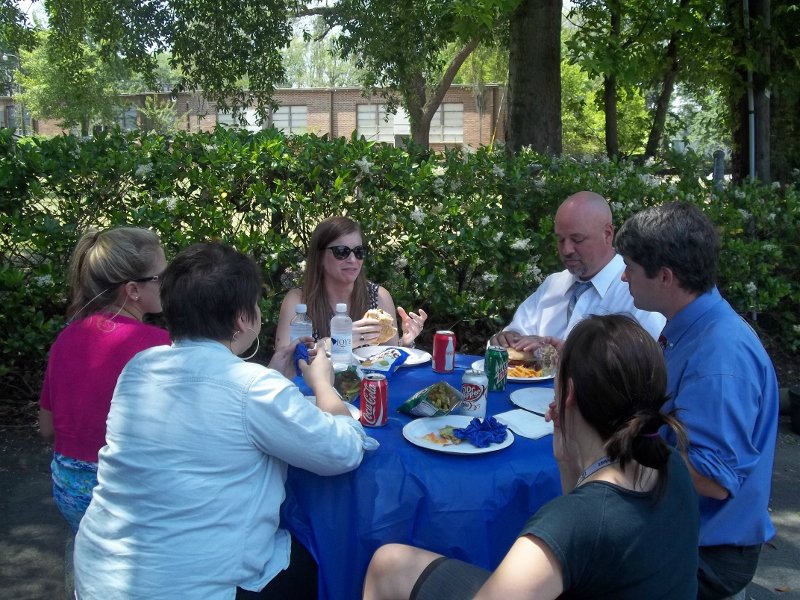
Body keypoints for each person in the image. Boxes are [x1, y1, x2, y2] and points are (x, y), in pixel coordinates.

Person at [73, 242, 372, 599]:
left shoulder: (140, 367)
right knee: (333, 557)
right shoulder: (253, 389)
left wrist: (271, 375)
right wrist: (324, 386)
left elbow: (219, 407)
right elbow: (343, 453)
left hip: (99, 577)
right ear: (243, 319)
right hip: (196, 588)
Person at [364, 315, 700, 600]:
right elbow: (591, 561)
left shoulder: (571, 523)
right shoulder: (669, 463)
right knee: (392, 562)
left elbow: (581, 527)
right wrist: (568, 463)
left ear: (566, 394)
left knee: (384, 563)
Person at [616, 202, 779, 600]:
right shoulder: (694, 328)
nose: (623, 276)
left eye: (631, 267)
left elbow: (713, 479)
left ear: (666, 276)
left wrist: (616, 447)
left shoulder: (720, 356)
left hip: (709, 553)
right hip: (689, 533)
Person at [38, 227, 170, 532]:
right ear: (133, 290)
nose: (168, 284)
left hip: (69, 493)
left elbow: (47, 428)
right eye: (160, 277)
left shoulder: (67, 337)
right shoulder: (157, 344)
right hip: (123, 496)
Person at [489, 191, 664, 352]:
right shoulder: (554, 284)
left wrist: (566, 356)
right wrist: (508, 339)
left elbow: (646, 366)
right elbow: (516, 335)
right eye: (560, 240)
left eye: (577, 239)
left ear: (607, 234)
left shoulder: (637, 290)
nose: (566, 250)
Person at [275, 216, 427, 349]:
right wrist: (338, 341)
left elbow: (390, 355)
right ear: (320, 257)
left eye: (359, 251)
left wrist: (405, 342)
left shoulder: (378, 297)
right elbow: (284, 363)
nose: (353, 260)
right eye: (342, 251)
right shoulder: (298, 301)